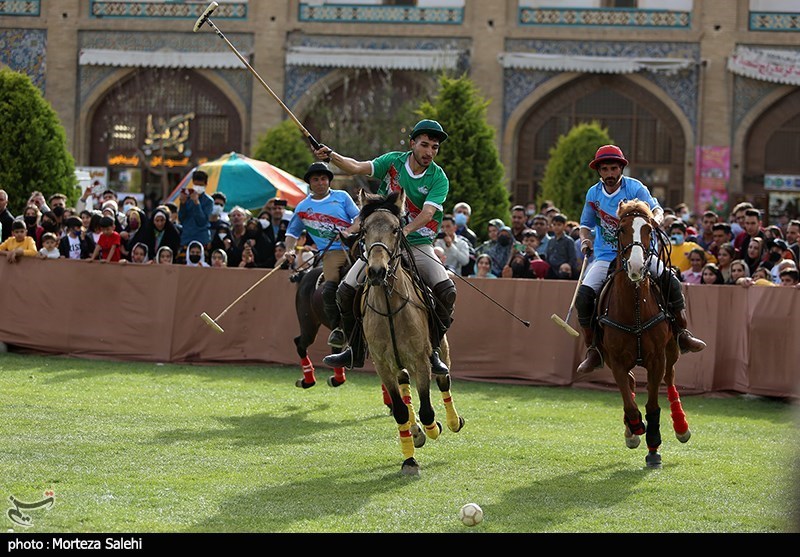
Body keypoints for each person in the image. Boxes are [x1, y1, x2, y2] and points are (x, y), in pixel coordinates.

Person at [314, 118, 455, 374]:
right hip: (381, 243)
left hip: (418, 244)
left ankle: (433, 350)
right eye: (425, 145)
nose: (429, 152)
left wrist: (405, 231)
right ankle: (354, 348)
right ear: (412, 143)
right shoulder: (393, 161)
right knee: (345, 290)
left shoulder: (438, 177)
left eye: (434, 148)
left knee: (447, 291)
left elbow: (428, 213)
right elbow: (356, 166)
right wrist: (331, 156)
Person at [574, 145, 706, 375]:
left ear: (621, 168)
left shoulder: (635, 188)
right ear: (599, 171)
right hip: (606, 254)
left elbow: (657, 210)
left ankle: (682, 334)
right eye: (605, 169)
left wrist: (654, 220)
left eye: (613, 168)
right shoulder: (593, 193)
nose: (609, 173)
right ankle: (593, 348)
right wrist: (585, 240)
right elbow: (585, 225)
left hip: (642, 253)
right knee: (584, 296)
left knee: (670, 280)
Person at [284, 162, 360, 349]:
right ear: (310, 183)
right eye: (316, 179)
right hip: (332, 252)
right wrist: (290, 250)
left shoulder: (342, 197)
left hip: (354, 244)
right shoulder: (302, 208)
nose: (320, 182)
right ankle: (337, 329)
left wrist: (348, 230)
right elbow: (292, 233)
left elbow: (360, 219)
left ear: (329, 181)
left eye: (324, 179)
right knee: (331, 282)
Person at [178, 170, 214, 253]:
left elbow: (202, 222)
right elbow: (181, 219)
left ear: (206, 184)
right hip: (187, 238)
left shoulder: (209, 201)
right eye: (196, 184)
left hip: (201, 239)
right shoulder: (187, 198)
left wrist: (197, 203)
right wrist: (182, 204)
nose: (198, 187)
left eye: (201, 185)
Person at [544, 213, 578, 279]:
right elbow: (548, 256)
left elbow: (573, 258)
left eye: (559, 225)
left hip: (563, 269)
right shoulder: (550, 241)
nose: (556, 227)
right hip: (552, 269)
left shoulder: (569, 241)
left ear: (564, 226)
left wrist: (568, 265)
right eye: (554, 224)